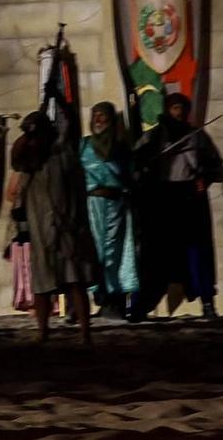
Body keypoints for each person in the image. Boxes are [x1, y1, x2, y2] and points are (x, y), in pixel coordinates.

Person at [9, 110, 97, 344]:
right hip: (40, 226)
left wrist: (76, 220)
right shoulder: (30, 159)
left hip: (66, 224)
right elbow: (17, 161)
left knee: (75, 280)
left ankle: (85, 332)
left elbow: (77, 188)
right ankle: (43, 330)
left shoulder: (63, 155)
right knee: (42, 282)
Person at [135, 92, 223, 318]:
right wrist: (147, 162)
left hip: (190, 198)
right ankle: (142, 305)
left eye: (182, 108)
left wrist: (205, 177)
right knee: (156, 255)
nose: (179, 112)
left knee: (197, 252)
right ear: (168, 110)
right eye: (175, 108)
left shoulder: (197, 137)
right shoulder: (154, 136)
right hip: (163, 199)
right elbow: (137, 163)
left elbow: (215, 165)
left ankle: (207, 302)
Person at [80, 102, 139, 318]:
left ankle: (115, 302)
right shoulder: (84, 145)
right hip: (91, 205)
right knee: (95, 253)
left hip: (115, 205)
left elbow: (130, 176)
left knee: (114, 252)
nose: (98, 120)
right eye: (95, 115)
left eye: (103, 116)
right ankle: (100, 299)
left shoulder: (121, 148)